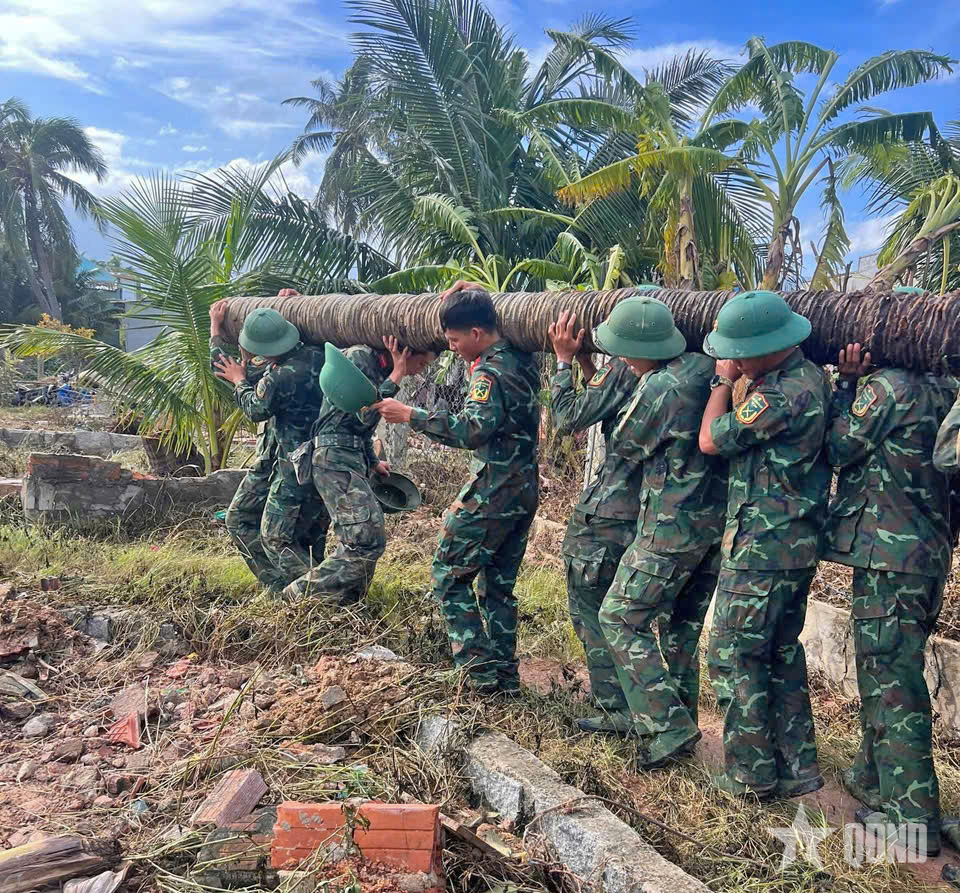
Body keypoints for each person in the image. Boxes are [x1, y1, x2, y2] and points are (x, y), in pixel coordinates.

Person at [375, 281, 540, 694]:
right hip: (523, 487)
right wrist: (465, 297)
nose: (451, 348)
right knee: (498, 585)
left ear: (478, 334)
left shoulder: (488, 371)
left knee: (449, 574)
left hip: (494, 489)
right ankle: (504, 677)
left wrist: (411, 415)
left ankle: (478, 675)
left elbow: (472, 429)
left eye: (454, 340)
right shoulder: (522, 356)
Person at [698, 289, 830, 799]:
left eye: (735, 349)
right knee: (779, 654)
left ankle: (750, 777)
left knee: (735, 657)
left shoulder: (780, 395)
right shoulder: (808, 377)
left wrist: (721, 381)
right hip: (792, 546)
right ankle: (798, 769)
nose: (730, 357)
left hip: (762, 549)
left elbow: (711, 439)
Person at [824, 343, 954, 856]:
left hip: (889, 556)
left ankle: (912, 819)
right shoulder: (947, 388)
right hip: (926, 555)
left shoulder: (888, 388)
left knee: (893, 682)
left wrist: (847, 385)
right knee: (887, 671)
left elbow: (837, 447)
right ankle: (876, 778)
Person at [595, 297, 727, 765]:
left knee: (618, 616)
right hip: (713, 526)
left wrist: (637, 385)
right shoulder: (708, 367)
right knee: (682, 628)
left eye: (624, 351)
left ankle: (669, 727)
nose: (621, 360)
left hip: (670, 525)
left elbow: (626, 443)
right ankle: (674, 716)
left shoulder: (662, 386)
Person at [282, 336, 435, 604]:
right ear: (405, 351)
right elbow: (362, 413)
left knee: (366, 539)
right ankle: (297, 595)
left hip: (348, 457)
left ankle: (345, 607)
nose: (420, 370)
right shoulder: (358, 360)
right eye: (421, 363)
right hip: (334, 458)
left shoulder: (379, 368)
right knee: (363, 541)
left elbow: (360, 428)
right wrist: (397, 375)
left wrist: (373, 461)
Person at [547, 308, 644, 729]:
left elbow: (568, 417)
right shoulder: (674, 372)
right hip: (640, 513)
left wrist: (563, 362)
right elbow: (610, 401)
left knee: (593, 608)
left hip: (608, 514)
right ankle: (635, 705)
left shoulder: (627, 369)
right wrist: (590, 366)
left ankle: (616, 707)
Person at [212, 302, 329, 589]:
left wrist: (218, 335)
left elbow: (256, 408)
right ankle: (283, 589)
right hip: (303, 460)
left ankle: (323, 593)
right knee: (301, 534)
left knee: (274, 536)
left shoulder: (280, 377)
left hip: (293, 466)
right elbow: (256, 369)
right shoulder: (316, 354)